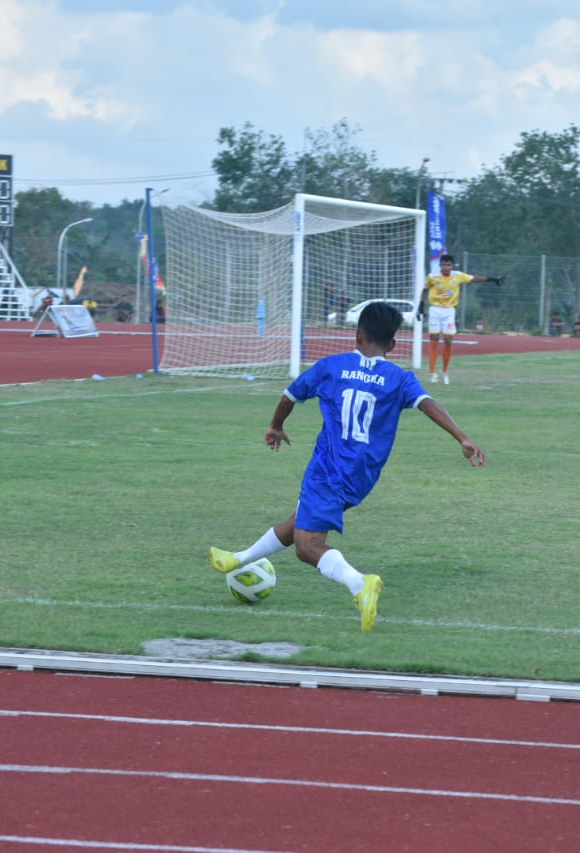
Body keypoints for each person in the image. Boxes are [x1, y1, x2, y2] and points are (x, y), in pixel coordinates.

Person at [208, 302, 485, 631]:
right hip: (363, 475)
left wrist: (276, 426)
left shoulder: (331, 367)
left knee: (307, 546)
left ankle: (360, 584)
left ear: (357, 335)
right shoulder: (399, 378)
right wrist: (462, 438)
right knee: (301, 518)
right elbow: (428, 404)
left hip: (329, 468)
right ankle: (238, 559)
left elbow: (289, 396)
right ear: (393, 345)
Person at [418, 253, 503, 384]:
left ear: (452, 266)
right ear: (440, 265)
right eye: (444, 265)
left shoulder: (457, 276)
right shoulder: (432, 277)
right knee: (434, 338)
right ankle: (432, 372)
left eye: (449, 265)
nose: (446, 267)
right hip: (435, 309)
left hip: (449, 311)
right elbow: (425, 290)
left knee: (448, 340)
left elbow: (474, 278)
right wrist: (421, 306)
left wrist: (493, 279)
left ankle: (445, 371)